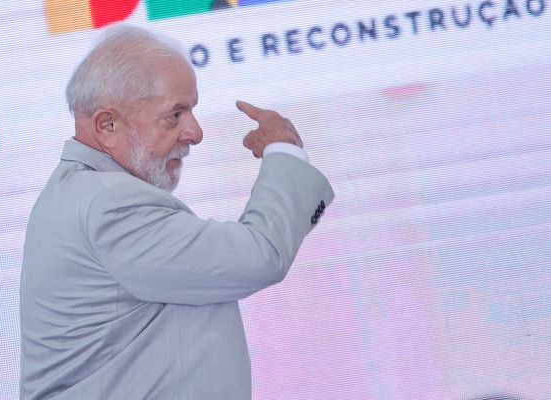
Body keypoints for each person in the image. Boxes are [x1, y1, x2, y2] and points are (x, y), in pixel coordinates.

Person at [19, 25, 334, 400]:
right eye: (175, 114)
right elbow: (259, 255)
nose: (195, 133)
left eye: (192, 111)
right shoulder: (110, 204)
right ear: (107, 125)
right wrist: (285, 152)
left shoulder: (82, 192)